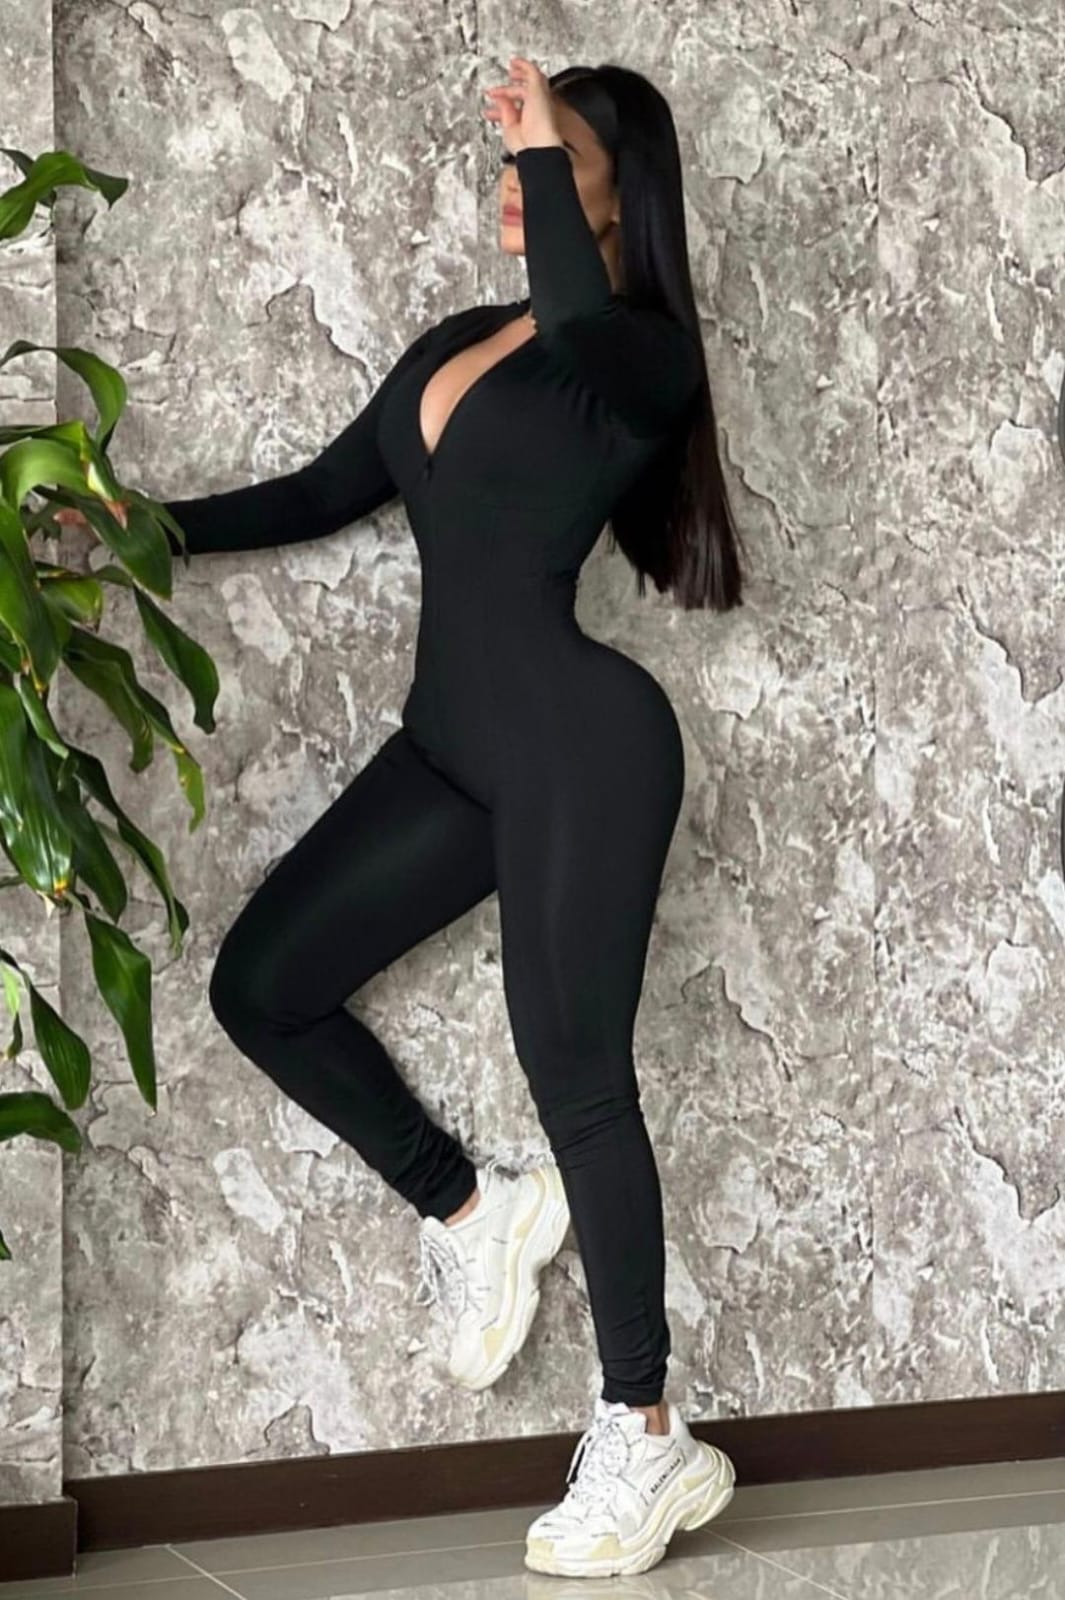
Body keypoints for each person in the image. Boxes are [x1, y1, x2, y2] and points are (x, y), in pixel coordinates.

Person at [59, 56, 744, 1579]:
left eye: (545, 163)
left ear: (612, 193)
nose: (511, 183)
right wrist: (131, 532)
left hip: (581, 751)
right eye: (510, 161)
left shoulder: (636, 358)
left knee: (579, 1081)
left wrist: (546, 139)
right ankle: (471, 1210)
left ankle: (646, 1432)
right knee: (264, 985)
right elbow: (318, 494)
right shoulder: (459, 343)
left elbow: (582, 324)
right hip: (453, 748)